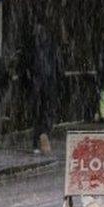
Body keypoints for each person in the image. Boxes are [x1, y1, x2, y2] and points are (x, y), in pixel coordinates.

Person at [21, 23, 62, 155]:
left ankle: (38, 140)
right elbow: (58, 66)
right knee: (46, 112)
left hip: (36, 85)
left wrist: (27, 84)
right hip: (47, 84)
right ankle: (43, 134)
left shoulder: (30, 48)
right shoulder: (51, 47)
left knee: (37, 114)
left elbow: (24, 69)